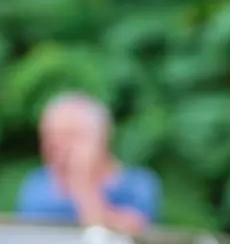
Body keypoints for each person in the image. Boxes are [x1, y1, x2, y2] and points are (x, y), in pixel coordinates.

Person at [15, 91, 161, 232]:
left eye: (69, 136)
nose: (58, 147)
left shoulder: (136, 184)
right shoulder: (36, 185)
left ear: (101, 138)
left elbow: (132, 237)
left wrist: (83, 186)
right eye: (50, 137)